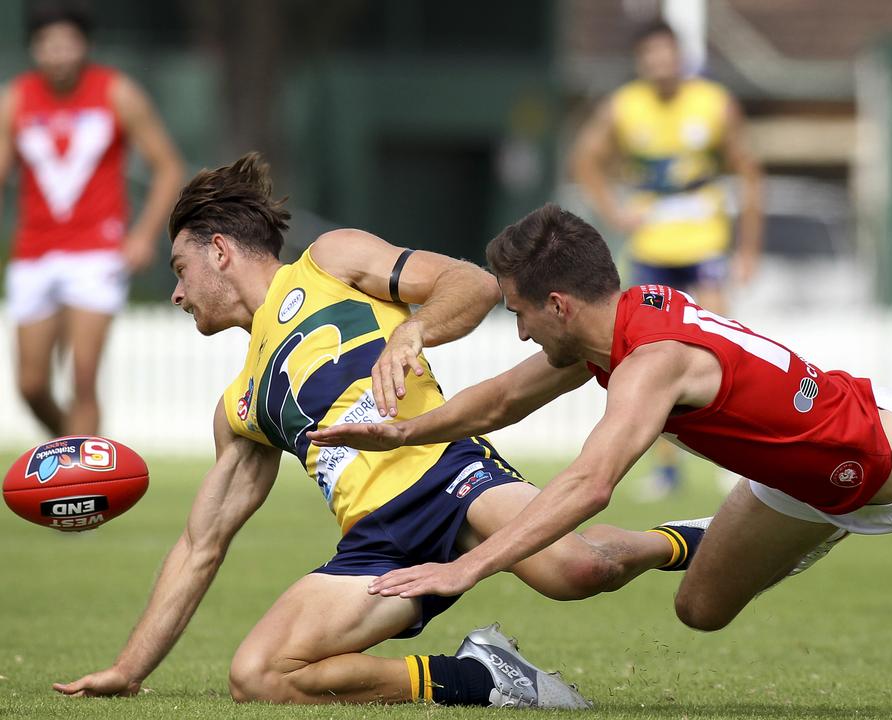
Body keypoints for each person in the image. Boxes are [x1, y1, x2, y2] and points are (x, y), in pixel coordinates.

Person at [308, 189, 892, 633]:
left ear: (557, 303)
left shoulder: (649, 365)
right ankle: (700, 538)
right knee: (698, 611)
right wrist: (400, 429)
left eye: (517, 312)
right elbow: (506, 398)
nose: (514, 330)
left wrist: (463, 568)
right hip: (796, 477)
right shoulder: (614, 327)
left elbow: (590, 482)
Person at [51, 154, 715, 709]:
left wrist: (411, 330)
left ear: (219, 251)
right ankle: (480, 677)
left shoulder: (327, 264)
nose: (177, 292)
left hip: (446, 472)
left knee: (577, 569)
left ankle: (685, 539)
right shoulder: (240, 407)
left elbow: (473, 284)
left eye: (179, 269)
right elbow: (201, 543)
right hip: (376, 542)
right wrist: (129, 668)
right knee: (259, 675)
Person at [571, 19, 764, 498]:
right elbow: (585, 157)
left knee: (722, 344)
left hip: (705, 239)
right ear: (640, 61)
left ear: (680, 56)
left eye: (668, 53)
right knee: (642, 356)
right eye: (650, 55)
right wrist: (613, 209)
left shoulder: (714, 103)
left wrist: (748, 249)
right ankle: (665, 467)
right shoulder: (624, 106)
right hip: (651, 245)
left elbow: (750, 173)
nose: (660, 64)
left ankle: (735, 457)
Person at [0, 4, 184, 437]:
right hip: (33, 250)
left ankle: (84, 493)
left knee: (83, 378)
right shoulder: (16, 98)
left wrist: (142, 235)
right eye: (48, 44)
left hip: (97, 251)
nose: (58, 53)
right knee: (30, 385)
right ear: (34, 48)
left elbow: (168, 167)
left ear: (86, 45)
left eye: (67, 43)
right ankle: (79, 452)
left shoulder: (116, 92)